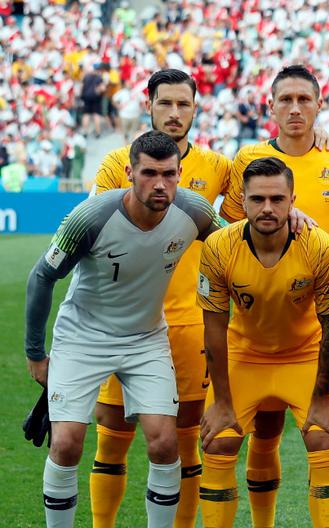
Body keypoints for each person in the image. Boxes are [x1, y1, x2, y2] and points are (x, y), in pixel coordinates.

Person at [24, 130, 221, 528]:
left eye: (168, 174)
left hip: (146, 339)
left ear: (180, 174)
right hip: (82, 338)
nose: (160, 184)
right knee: (66, 443)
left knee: (165, 442)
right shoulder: (90, 217)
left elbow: (238, 241)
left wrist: (292, 219)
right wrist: (35, 354)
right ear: (130, 173)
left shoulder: (195, 211)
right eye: (149, 173)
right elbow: (42, 276)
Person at [89, 68, 234, 528]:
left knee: (186, 440)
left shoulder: (216, 167)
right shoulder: (117, 164)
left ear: (195, 108)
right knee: (112, 437)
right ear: (148, 104)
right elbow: (96, 233)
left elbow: (249, 219)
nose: (175, 113)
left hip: (189, 324)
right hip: (124, 323)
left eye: (183, 104)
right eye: (165, 103)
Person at [217, 64, 329, 527]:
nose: (295, 109)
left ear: (320, 104)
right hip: (255, 319)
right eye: (286, 100)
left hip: (313, 319)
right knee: (263, 429)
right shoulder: (249, 159)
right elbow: (229, 227)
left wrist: (318, 245)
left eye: (304, 99)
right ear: (270, 106)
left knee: (324, 435)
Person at [197, 157, 329, 528]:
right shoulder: (218, 247)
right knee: (219, 440)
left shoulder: (319, 246)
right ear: (242, 202)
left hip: (305, 355)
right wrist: (222, 402)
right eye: (258, 199)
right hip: (245, 355)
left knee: (324, 438)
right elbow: (214, 327)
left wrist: (320, 398)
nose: (267, 208)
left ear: (292, 200)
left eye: (277, 199)